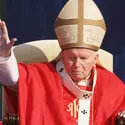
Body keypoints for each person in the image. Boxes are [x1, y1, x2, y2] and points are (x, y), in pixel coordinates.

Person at [0, 0, 125, 125]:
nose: (77, 64)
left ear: (95, 58)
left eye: (84, 58)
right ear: (62, 55)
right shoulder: (42, 76)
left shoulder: (111, 85)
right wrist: (4, 56)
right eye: (71, 58)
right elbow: (11, 78)